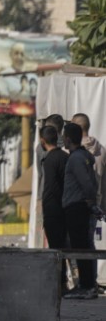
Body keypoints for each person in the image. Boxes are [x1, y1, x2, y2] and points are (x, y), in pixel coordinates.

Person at [62, 122, 99, 299]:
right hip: (78, 207)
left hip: (76, 207)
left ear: (68, 139)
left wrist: (90, 200)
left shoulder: (76, 158)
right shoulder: (82, 156)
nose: (63, 139)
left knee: (81, 248)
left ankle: (86, 286)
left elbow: (87, 184)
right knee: (82, 247)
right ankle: (86, 284)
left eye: (64, 136)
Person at [38, 124, 69, 289]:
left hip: (53, 209)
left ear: (43, 141)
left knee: (55, 248)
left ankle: (59, 282)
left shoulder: (49, 160)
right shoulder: (65, 156)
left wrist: (47, 207)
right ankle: (62, 280)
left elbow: (51, 186)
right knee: (62, 246)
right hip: (65, 208)